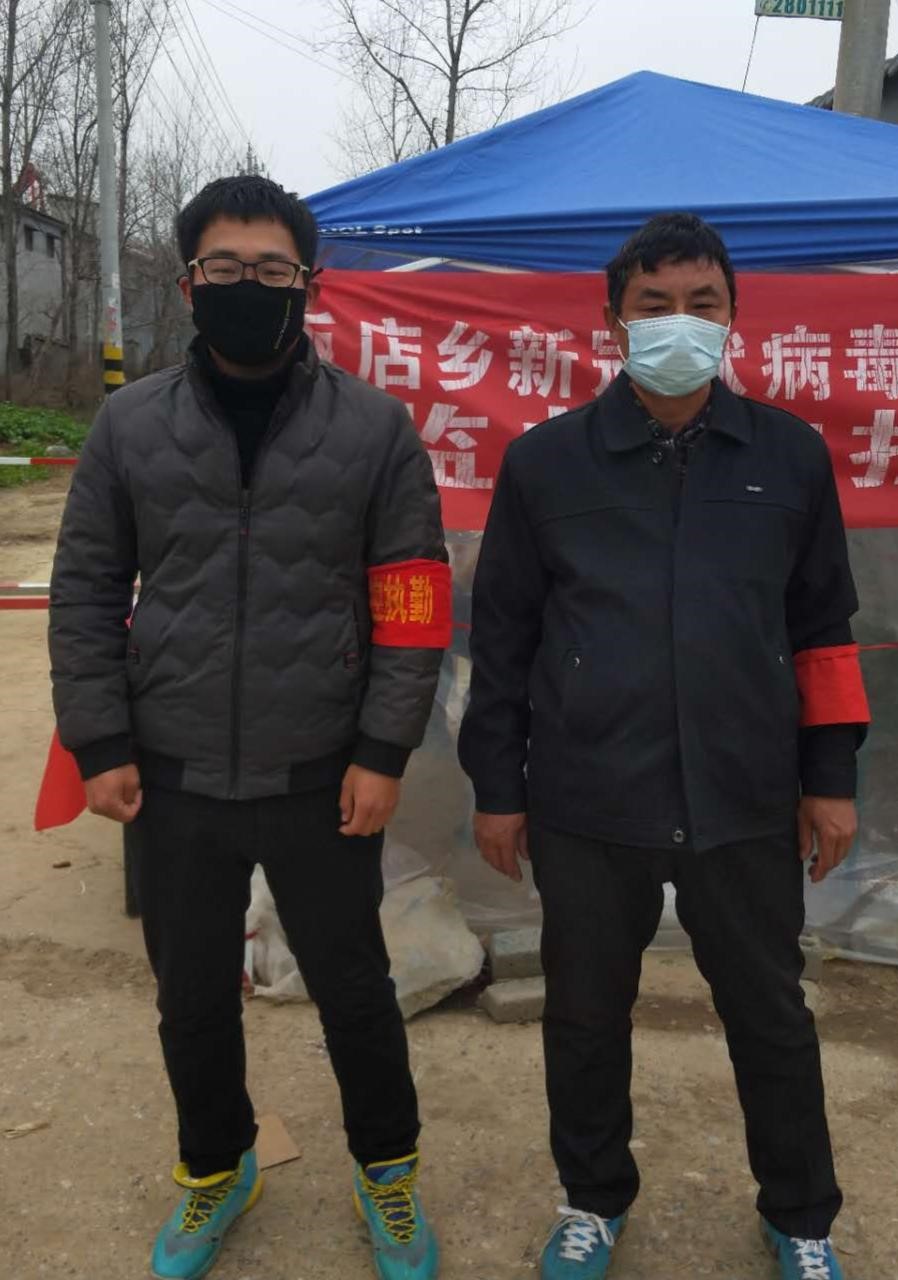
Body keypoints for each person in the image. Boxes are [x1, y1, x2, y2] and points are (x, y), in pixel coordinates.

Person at [49, 175, 449, 1280]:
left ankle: (387, 1170)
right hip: (172, 772)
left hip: (321, 772)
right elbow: (86, 587)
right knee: (189, 1000)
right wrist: (99, 741)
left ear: (306, 285)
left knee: (355, 991)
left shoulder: (373, 428)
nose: (247, 285)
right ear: (189, 283)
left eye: (271, 269)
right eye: (224, 267)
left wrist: (381, 751)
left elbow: (411, 601)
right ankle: (217, 1164)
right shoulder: (130, 424)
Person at [459, 212, 869, 1280]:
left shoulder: (787, 455)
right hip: (590, 798)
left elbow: (824, 628)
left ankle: (801, 1215)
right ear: (613, 322)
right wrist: (497, 786)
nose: (677, 323)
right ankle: (592, 1200)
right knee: (585, 1015)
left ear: (732, 318)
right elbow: (500, 642)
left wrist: (828, 776)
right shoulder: (547, 462)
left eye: (701, 304)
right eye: (653, 305)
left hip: (743, 794)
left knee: (769, 1014)